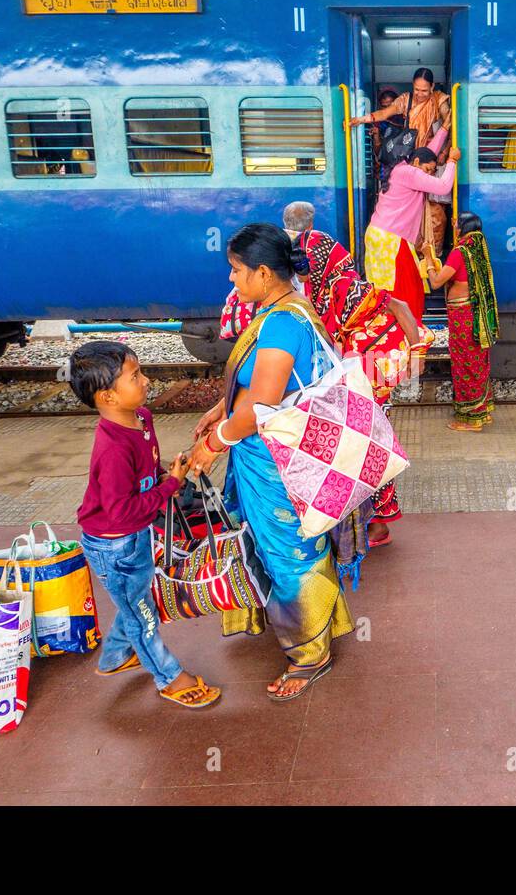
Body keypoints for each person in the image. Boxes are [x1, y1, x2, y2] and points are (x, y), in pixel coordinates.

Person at [187, 223, 353, 702]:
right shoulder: (286, 310)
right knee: (287, 548)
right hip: (274, 457)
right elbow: (261, 386)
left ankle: (310, 653)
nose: (233, 281)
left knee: (289, 554)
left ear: (263, 272)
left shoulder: (280, 322)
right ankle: (309, 621)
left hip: (276, 464)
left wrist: (214, 443)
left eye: (237, 271)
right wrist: (221, 410)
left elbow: (261, 404)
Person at [70, 340, 222, 709]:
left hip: (134, 536)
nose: (146, 380)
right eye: (135, 376)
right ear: (107, 397)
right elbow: (121, 511)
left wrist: (167, 474)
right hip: (114, 545)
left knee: (134, 602)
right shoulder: (112, 450)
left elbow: (147, 474)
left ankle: (115, 657)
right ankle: (169, 677)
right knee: (141, 611)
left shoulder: (142, 419)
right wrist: (171, 486)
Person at [282, 200, 431, 548]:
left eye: (303, 266)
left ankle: (377, 524)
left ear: (317, 263)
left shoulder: (346, 288)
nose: (300, 273)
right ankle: (366, 522)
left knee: (366, 448)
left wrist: (418, 352)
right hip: (355, 374)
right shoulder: (324, 288)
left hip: (369, 376)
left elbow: (401, 306)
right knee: (360, 448)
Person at [352, 68, 454, 264]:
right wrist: (361, 120)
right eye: (417, 89)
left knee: (436, 214)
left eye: (425, 90)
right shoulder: (405, 100)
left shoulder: (439, 100)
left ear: (432, 87)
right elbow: (383, 113)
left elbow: (449, 125)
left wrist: (444, 153)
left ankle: (433, 258)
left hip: (430, 160)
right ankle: (415, 258)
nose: (420, 94)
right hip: (412, 162)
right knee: (412, 212)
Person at [356, 143, 460, 323]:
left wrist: (444, 129)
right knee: (403, 289)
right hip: (390, 239)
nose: (428, 175)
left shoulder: (403, 169)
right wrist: (452, 161)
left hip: (387, 237)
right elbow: (443, 187)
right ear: (417, 162)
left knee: (396, 286)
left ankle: (398, 330)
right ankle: (401, 331)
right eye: (428, 170)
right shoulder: (409, 173)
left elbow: (429, 151)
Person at [425, 212, 500, 432]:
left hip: (463, 317)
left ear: (464, 228)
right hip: (474, 316)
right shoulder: (477, 249)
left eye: (457, 224)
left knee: (465, 362)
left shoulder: (460, 252)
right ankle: (482, 411)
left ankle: (470, 419)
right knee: (476, 360)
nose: (454, 227)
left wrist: (428, 259)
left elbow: (437, 282)